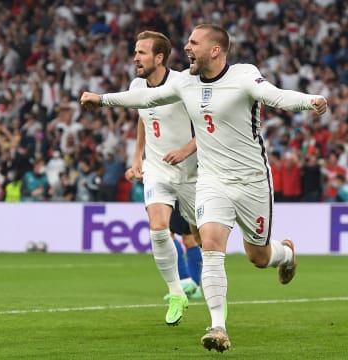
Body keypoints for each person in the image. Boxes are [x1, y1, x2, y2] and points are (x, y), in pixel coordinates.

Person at [80, 24, 327, 352]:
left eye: (194, 43)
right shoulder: (185, 83)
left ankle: (286, 254)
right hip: (211, 181)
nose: (187, 48)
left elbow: (276, 96)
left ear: (215, 50)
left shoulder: (242, 76)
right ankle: (218, 327)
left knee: (259, 255)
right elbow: (146, 97)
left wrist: (310, 101)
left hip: (251, 181)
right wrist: (102, 100)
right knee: (210, 247)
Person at [122, 31, 202, 326]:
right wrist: (137, 157)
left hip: (192, 170)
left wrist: (185, 150)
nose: (135, 58)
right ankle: (177, 291)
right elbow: (144, 118)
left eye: (142, 52)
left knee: (201, 237)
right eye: (135, 51)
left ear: (159, 57)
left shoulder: (183, 83)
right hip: (157, 169)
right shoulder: (136, 85)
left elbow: (208, 125)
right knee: (158, 228)